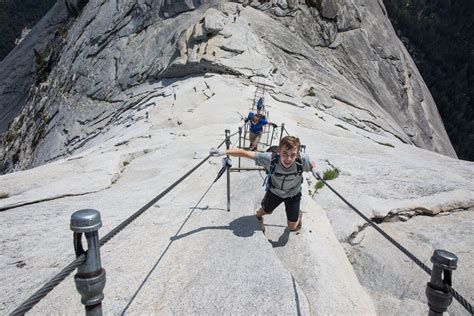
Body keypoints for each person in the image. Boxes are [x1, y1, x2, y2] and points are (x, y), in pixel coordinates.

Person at [210, 136, 317, 232]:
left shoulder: (302, 160)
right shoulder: (270, 159)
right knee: (262, 212)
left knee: (292, 227)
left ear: (297, 154)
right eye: (285, 153)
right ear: (279, 151)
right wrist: (224, 152)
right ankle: (260, 216)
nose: (288, 159)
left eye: (293, 155)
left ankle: (298, 215)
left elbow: (311, 163)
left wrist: (314, 169)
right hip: (275, 192)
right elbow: (245, 153)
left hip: (293, 194)